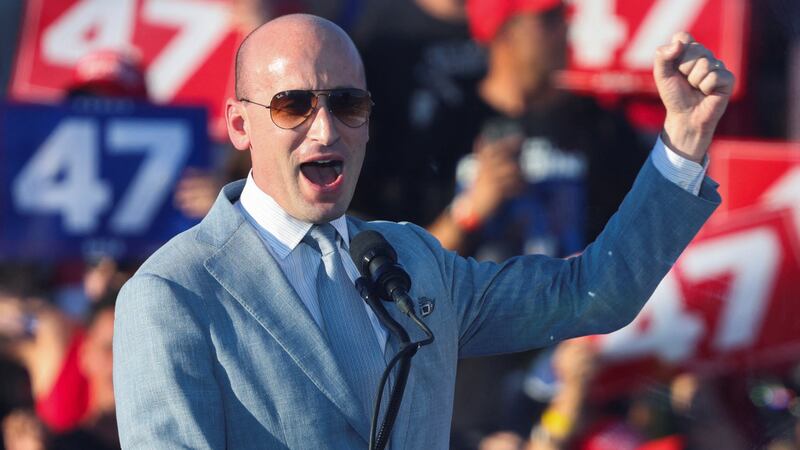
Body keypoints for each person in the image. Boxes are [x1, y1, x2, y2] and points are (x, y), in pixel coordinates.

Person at [113, 13, 733, 449]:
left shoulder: (411, 258)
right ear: (240, 126)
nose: (325, 129)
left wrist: (684, 142)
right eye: (293, 105)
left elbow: (594, 292)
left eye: (347, 104)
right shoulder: (173, 295)